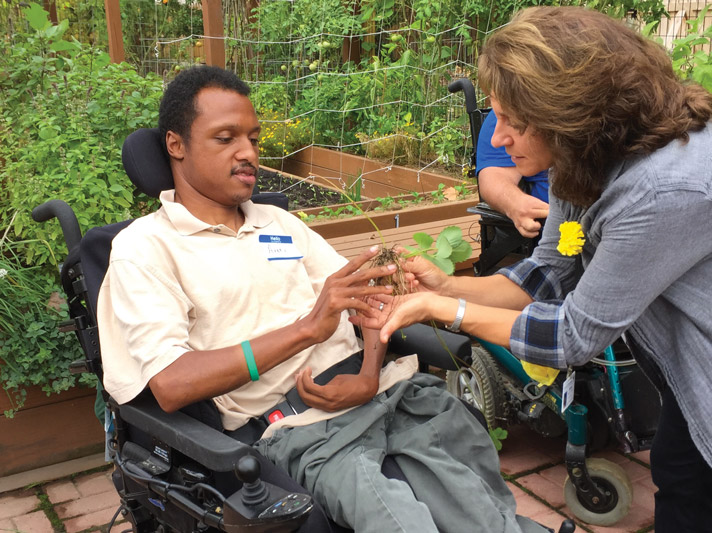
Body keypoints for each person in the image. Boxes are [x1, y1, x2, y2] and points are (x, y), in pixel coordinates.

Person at [368, 7, 712, 532]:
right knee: (680, 469)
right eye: (495, 114)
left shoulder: (665, 186)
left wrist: (446, 310)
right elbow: (549, 272)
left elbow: (573, 335)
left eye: (515, 123)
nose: (497, 139)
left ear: (572, 116)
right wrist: (448, 283)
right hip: (711, 353)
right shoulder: (591, 154)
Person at [96, 65, 549, 533]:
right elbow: (172, 384)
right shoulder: (145, 249)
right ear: (176, 145)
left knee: (484, 513)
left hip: (382, 394)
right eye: (225, 138)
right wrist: (306, 330)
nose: (247, 152)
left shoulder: (278, 224)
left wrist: (369, 374)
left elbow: (366, 296)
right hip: (294, 425)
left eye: (252, 138)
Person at [476, 109, 550, 238]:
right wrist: (516, 203)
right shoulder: (504, 109)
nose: (496, 139)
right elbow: (494, 177)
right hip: (553, 230)